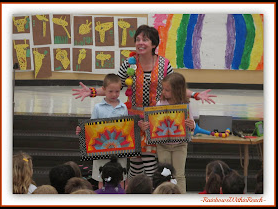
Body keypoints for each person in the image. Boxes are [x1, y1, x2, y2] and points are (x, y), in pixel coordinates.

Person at [72, 24, 217, 180]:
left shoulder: (164, 64)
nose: (140, 42)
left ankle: (148, 191)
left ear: (153, 44)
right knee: (135, 161)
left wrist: (195, 95)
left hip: (154, 118)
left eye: (145, 39)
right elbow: (114, 87)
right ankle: (134, 192)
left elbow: (175, 87)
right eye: (138, 39)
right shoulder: (129, 64)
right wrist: (92, 92)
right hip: (133, 117)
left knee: (149, 160)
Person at [75, 73, 128, 188]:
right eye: (110, 91)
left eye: (117, 91)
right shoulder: (98, 107)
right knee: (101, 176)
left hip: (120, 149)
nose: (114, 94)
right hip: (100, 149)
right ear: (103, 89)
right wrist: (82, 129)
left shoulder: (123, 107)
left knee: (121, 177)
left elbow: (126, 129)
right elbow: (91, 127)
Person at [146, 72, 195, 194]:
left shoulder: (186, 105)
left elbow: (192, 124)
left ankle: (181, 199)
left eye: (167, 90)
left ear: (177, 91)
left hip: (180, 145)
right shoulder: (160, 103)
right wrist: (148, 126)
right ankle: (163, 197)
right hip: (163, 145)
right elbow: (155, 124)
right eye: (163, 89)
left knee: (179, 175)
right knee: (164, 173)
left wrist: (191, 125)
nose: (163, 92)